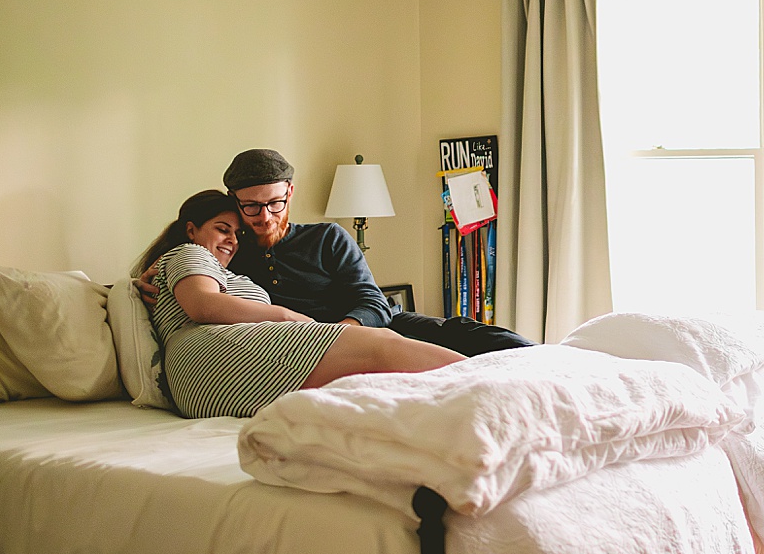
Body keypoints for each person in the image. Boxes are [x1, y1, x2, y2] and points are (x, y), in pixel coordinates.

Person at [140, 149, 534, 357]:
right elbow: (193, 262)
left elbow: (373, 301)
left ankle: (552, 362)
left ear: (290, 192)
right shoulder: (230, 252)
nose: (264, 216)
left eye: (275, 203)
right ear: (236, 202)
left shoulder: (328, 237)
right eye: (251, 207)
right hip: (309, 353)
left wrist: (341, 334)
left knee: (480, 339)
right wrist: (152, 273)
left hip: (376, 329)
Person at [141, 190, 466, 418]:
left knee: (373, 382)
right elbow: (202, 304)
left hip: (205, 379)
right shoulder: (190, 252)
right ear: (190, 229)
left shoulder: (198, 264)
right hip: (210, 357)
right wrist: (285, 315)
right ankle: (484, 381)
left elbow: (370, 299)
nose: (232, 240)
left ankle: (471, 396)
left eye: (237, 233)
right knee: (380, 347)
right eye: (222, 230)